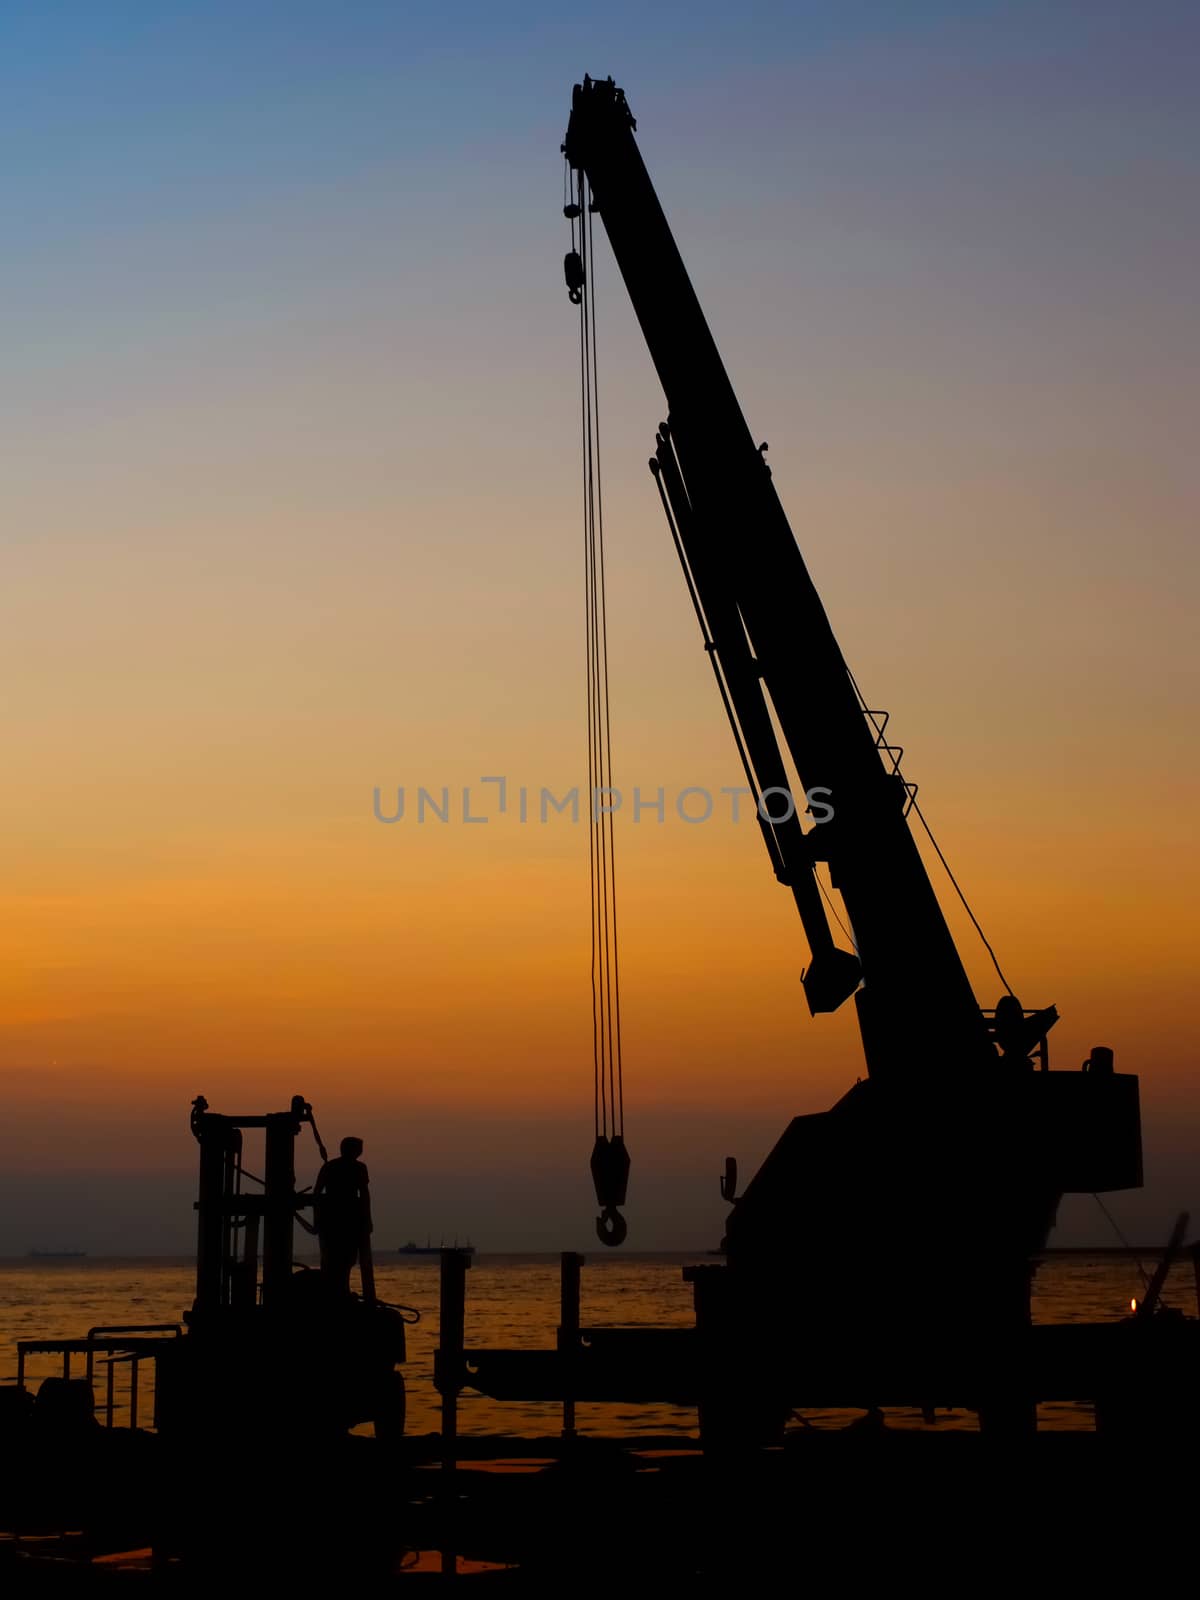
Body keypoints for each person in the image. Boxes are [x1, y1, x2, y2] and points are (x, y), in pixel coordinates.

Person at [312, 1136, 372, 1295]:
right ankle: (339, 1291)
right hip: (346, 1220)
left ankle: (339, 1290)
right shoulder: (359, 1168)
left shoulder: (330, 1166)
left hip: (332, 1220)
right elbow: (365, 1195)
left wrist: (317, 1217)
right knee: (343, 1258)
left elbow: (316, 1193)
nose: (361, 1151)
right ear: (354, 1150)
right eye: (359, 1148)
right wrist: (367, 1219)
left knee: (334, 1258)